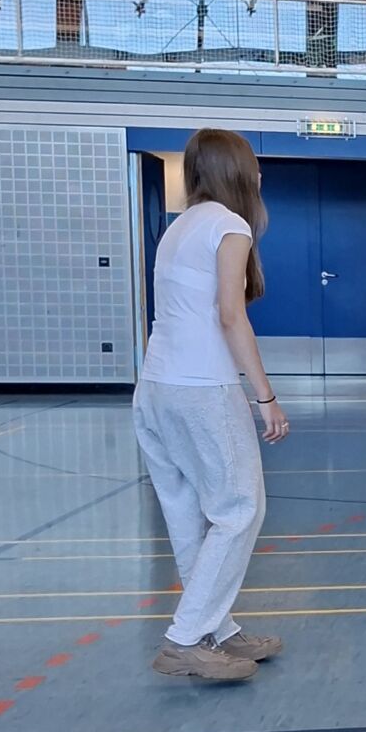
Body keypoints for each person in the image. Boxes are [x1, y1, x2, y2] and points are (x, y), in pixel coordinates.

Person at [132, 128, 289, 685]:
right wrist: (266, 397)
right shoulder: (231, 225)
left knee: (187, 514)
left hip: (155, 388)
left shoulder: (178, 227)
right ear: (236, 172)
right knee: (240, 509)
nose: (260, 174)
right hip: (202, 389)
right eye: (253, 165)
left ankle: (217, 629)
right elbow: (230, 315)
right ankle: (183, 640)